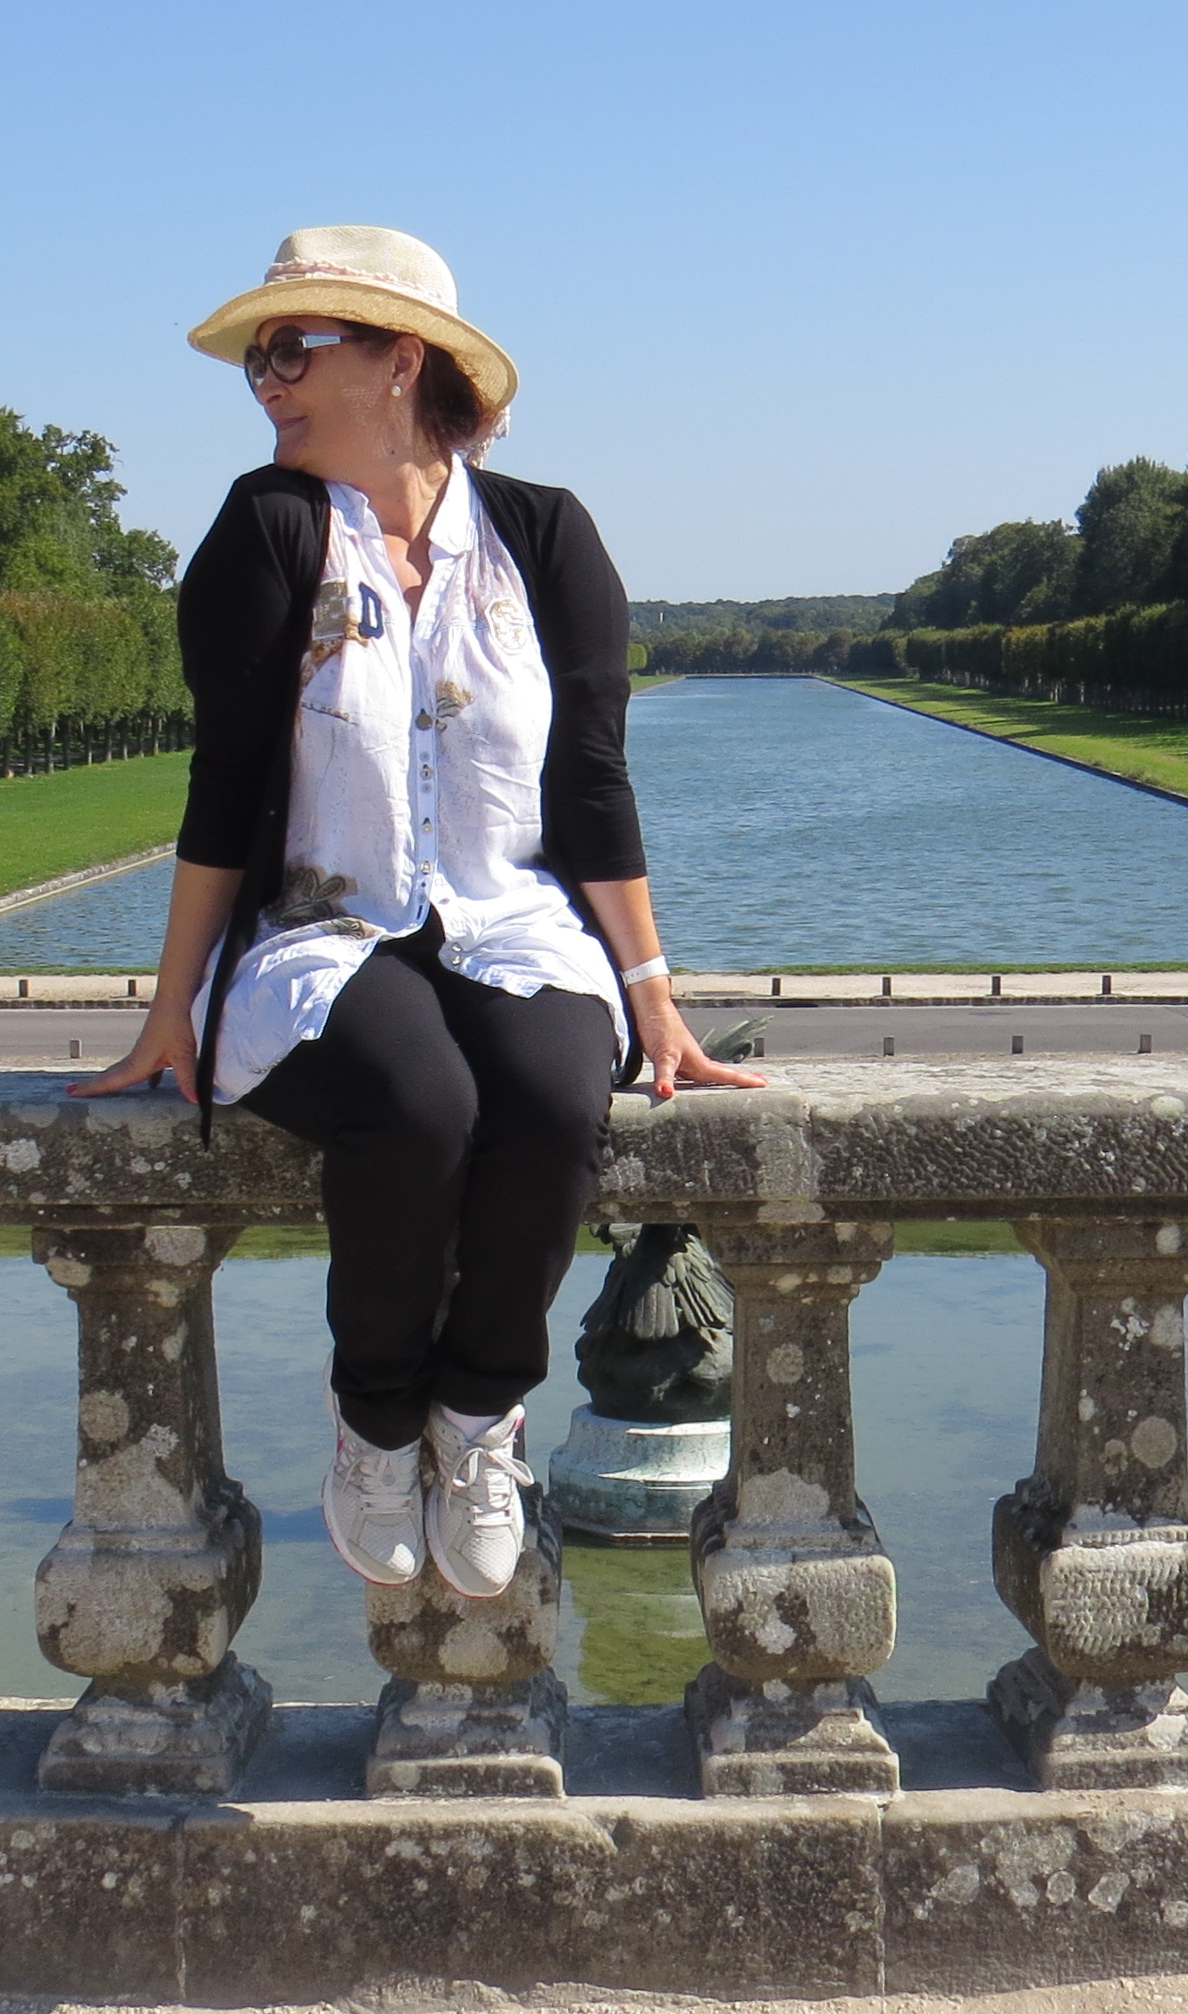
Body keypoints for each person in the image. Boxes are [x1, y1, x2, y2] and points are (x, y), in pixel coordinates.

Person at [71, 224, 760, 1602]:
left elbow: (593, 781)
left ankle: (480, 1413)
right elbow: (225, 785)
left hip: (515, 920)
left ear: (399, 360)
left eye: (293, 349)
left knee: (554, 1101)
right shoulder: (268, 529)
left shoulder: (544, 536)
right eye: (258, 359)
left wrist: (656, 998)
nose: (267, 381)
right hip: (328, 930)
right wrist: (170, 1007)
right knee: (419, 1104)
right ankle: (379, 1420)